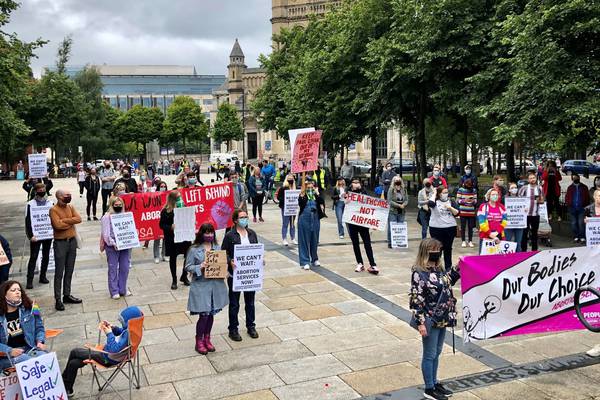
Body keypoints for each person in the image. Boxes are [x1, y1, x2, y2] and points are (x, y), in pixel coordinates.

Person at [410, 239, 459, 400]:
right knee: (430, 354)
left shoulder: (439, 268)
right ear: (426, 251)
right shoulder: (419, 272)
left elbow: (447, 282)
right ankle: (429, 388)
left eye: (438, 248)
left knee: (437, 352)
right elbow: (416, 299)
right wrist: (420, 322)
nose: (437, 251)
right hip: (430, 318)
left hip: (443, 317)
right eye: (433, 249)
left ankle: (434, 382)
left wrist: (458, 268)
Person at [61, 306, 143, 397]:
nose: (121, 323)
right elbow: (122, 332)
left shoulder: (129, 334)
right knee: (74, 363)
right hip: (115, 356)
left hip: (107, 358)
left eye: (123, 321)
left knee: (74, 352)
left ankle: (63, 383)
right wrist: (113, 328)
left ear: (129, 321)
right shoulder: (134, 329)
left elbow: (114, 349)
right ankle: (67, 387)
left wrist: (109, 333)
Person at [185, 224, 228, 354]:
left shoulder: (217, 248)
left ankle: (207, 338)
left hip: (215, 286)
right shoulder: (194, 249)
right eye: (206, 233)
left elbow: (222, 264)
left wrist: (225, 271)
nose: (209, 235)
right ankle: (199, 340)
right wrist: (200, 266)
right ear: (201, 234)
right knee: (203, 315)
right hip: (201, 285)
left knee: (210, 315)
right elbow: (188, 266)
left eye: (211, 233)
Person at [221, 209, 259, 341]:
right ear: (236, 220)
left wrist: (260, 260)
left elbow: (256, 250)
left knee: (250, 302)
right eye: (242, 217)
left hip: (249, 274)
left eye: (246, 217)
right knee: (234, 303)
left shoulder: (252, 234)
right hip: (235, 274)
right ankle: (233, 329)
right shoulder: (230, 236)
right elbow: (223, 252)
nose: (245, 219)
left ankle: (251, 326)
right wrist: (229, 261)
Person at [0, 281, 47, 370]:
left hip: (29, 349)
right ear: (4, 295)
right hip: (7, 356)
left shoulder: (32, 307)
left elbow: (40, 328)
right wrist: (9, 351)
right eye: (13, 290)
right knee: (27, 361)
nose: (17, 292)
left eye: (19, 290)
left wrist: (40, 341)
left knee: (45, 358)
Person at [49, 190, 82, 311]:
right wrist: (70, 221)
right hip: (60, 243)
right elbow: (57, 226)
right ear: (59, 197)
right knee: (59, 272)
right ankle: (58, 299)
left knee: (69, 269)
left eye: (69, 194)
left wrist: (64, 221)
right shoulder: (53, 210)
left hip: (72, 242)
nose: (69, 197)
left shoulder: (70, 206)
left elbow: (78, 219)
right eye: (66, 195)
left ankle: (67, 295)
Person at [346, 178, 378, 274]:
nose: (356, 184)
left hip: (363, 223)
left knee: (367, 243)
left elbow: (370, 205)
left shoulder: (364, 192)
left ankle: (373, 264)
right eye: (354, 182)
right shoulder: (348, 193)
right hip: (352, 222)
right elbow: (344, 202)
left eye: (357, 182)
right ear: (351, 184)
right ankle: (360, 263)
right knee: (355, 244)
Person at [160, 191, 191, 290]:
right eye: (177, 198)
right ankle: (174, 279)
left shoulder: (184, 207)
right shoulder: (165, 211)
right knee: (173, 258)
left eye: (180, 197)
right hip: (172, 238)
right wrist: (170, 227)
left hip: (184, 236)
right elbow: (161, 225)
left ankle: (184, 275)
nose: (179, 199)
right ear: (172, 199)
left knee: (188, 256)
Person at [101, 197, 132, 299]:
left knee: (125, 267)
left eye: (120, 205)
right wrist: (113, 243)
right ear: (112, 205)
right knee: (113, 269)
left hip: (124, 245)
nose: (118, 207)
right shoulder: (106, 217)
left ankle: (123, 289)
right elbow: (106, 234)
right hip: (112, 246)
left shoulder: (125, 215)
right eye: (116, 205)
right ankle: (114, 290)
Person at [25, 183, 53, 289]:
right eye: (40, 189)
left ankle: (43, 276)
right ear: (36, 191)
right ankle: (30, 280)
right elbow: (28, 221)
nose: (42, 190)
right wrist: (30, 235)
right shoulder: (30, 204)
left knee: (46, 256)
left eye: (43, 188)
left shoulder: (50, 203)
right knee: (34, 257)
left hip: (47, 234)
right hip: (36, 236)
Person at [427, 186, 459, 271]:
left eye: (446, 192)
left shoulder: (451, 201)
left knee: (448, 248)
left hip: (450, 228)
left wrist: (450, 208)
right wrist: (434, 193)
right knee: (437, 248)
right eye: (443, 192)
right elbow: (430, 204)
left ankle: (448, 268)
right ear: (439, 194)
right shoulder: (435, 201)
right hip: (436, 228)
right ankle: (436, 267)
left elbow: (457, 213)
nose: (446, 194)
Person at [297, 177, 325, 270]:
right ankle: (305, 261)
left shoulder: (316, 195)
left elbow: (322, 201)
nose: (310, 185)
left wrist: (317, 193)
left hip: (315, 218)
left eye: (311, 183)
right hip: (304, 218)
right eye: (307, 184)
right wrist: (302, 194)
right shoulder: (303, 195)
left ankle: (315, 259)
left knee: (315, 239)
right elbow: (301, 203)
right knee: (304, 240)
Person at [518, 172, 545, 251]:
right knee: (524, 233)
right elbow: (519, 200)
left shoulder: (539, 188)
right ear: (528, 179)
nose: (532, 179)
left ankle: (534, 251)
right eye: (531, 178)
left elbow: (542, 200)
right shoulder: (524, 188)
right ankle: (524, 251)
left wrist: (539, 201)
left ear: (536, 178)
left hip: (535, 214)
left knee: (534, 234)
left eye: (534, 178)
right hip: (525, 215)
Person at [477, 188, 507, 253]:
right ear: (488, 196)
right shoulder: (483, 207)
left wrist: (497, 233)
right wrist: (491, 234)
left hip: (498, 235)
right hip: (486, 235)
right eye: (493, 194)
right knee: (484, 258)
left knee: (497, 258)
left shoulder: (501, 207)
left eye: (497, 194)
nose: (495, 196)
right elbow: (481, 223)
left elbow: (505, 221)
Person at [565, 173, 589, 243]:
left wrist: (585, 206)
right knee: (573, 223)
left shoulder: (584, 187)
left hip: (581, 208)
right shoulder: (570, 187)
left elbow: (587, 197)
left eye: (576, 177)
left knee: (581, 223)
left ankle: (582, 237)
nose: (575, 178)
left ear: (579, 178)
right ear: (572, 179)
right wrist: (568, 204)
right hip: (572, 208)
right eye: (574, 177)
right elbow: (567, 197)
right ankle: (576, 236)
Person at [387, 176, 408, 247]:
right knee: (392, 227)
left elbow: (407, 200)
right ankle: (390, 242)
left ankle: (399, 242)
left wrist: (404, 204)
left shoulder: (404, 189)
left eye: (399, 180)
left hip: (402, 211)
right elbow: (389, 201)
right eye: (396, 180)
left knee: (400, 227)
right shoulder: (391, 189)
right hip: (393, 211)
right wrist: (398, 205)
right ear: (393, 181)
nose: (398, 181)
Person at [505, 183, 525, 252]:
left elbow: (525, 207)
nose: (514, 189)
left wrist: (525, 209)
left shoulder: (522, 198)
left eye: (515, 187)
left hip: (519, 223)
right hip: (508, 224)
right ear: (509, 190)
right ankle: (507, 259)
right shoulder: (504, 199)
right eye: (512, 188)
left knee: (518, 243)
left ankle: (518, 259)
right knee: (507, 242)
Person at [457, 178, 477, 248]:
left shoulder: (474, 190)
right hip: (463, 211)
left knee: (470, 227)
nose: (468, 186)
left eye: (470, 185)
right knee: (463, 227)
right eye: (467, 184)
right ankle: (463, 241)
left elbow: (475, 201)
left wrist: (472, 201)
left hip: (471, 211)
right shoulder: (461, 190)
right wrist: (464, 201)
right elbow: (458, 200)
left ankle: (470, 241)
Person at [277, 174, 297, 245]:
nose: (291, 179)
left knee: (292, 223)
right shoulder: (283, 188)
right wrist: (285, 199)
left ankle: (293, 238)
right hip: (285, 207)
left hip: (293, 208)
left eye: (292, 178)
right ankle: (284, 238)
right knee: (285, 223)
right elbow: (278, 197)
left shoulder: (294, 188)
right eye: (289, 178)